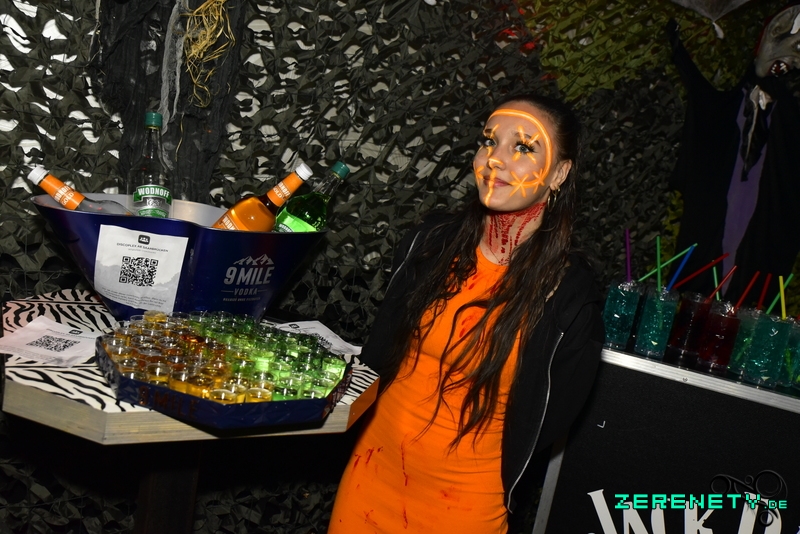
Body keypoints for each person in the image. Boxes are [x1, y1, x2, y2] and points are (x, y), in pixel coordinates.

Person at [328, 93, 604, 533]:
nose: (495, 159)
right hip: (370, 476)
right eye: (489, 141)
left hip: (465, 505)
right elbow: (381, 350)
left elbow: (548, 418)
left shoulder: (567, 294)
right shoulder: (430, 245)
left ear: (560, 173)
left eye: (523, 147)